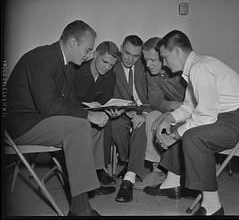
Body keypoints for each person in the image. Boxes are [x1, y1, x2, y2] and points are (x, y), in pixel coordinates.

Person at [143, 30, 239, 216]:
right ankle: (173, 182)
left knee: (193, 137)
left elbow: (205, 115)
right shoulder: (192, 69)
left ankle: (213, 206)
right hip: (228, 116)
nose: (164, 63)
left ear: (178, 52)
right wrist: (169, 118)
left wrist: (175, 135)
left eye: (165, 58)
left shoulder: (200, 68)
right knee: (180, 128)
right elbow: (190, 107)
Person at [5, 20, 111, 216]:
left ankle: (89, 184)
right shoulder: (42, 58)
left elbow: (69, 101)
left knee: (93, 126)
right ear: (72, 42)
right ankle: (80, 209)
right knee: (79, 126)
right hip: (22, 125)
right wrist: (87, 115)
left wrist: (91, 112)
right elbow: (48, 106)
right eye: (87, 50)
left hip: (40, 119)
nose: (89, 55)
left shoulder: (68, 65)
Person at [115, 37, 187, 203]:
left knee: (156, 119)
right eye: (145, 60)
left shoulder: (180, 71)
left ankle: (174, 173)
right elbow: (156, 101)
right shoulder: (151, 74)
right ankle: (157, 169)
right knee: (149, 119)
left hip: (192, 112)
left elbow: (194, 103)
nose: (147, 65)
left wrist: (177, 107)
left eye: (152, 60)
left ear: (164, 57)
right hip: (170, 110)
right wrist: (172, 106)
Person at [72, 41, 122, 195]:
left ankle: (98, 169)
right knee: (90, 125)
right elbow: (66, 99)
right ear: (95, 55)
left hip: (94, 114)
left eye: (111, 65)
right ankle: (91, 176)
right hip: (74, 113)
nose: (107, 67)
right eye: (104, 62)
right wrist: (87, 108)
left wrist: (112, 111)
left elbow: (105, 102)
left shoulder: (110, 76)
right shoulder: (77, 70)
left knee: (103, 121)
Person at [111, 35, 148, 170]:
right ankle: (127, 161)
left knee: (142, 125)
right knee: (115, 124)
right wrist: (124, 110)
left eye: (135, 56)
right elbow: (112, 95)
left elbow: (152, 94)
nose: (130, 59)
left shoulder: (146, 66)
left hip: (144, 109)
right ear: (121, 49)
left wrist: (145, 113)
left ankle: (132, 168)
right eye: (127, 53)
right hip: (123, 110)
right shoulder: (112, 66)